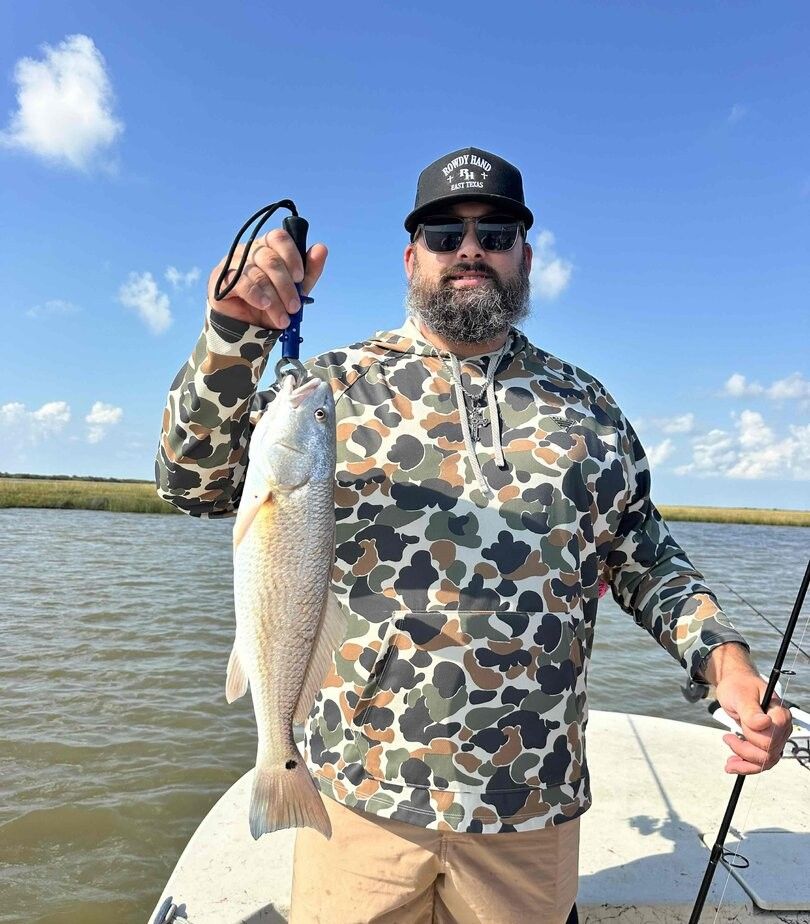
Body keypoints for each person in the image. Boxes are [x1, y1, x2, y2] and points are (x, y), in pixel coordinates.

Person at [154, 146, 793, 924]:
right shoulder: (324, 388)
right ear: (410, 254)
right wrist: (233, 334)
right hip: (358, 795)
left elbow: (645, 557)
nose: (469, 250)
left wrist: (726, 662)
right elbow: (189, 482)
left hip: (529, 811)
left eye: (495, 232)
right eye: (443, 233)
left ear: (525, 253)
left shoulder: (585, 405)